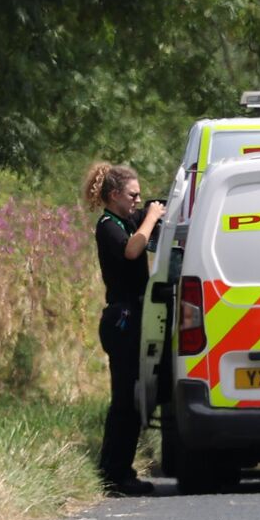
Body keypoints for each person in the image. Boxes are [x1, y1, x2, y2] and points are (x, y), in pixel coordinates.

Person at [82, 162, 165, 496]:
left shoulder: (126, 219)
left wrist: (153, 212)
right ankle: (115, 473)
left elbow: (146, 234)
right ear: (114, 195)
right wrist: (152, 217)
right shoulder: (108, 225)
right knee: (124, 401)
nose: (138, 199)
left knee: (131, 400)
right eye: (133, 194)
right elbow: (133, 249)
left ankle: (118, 470)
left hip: (133, 317)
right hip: (122, 321)